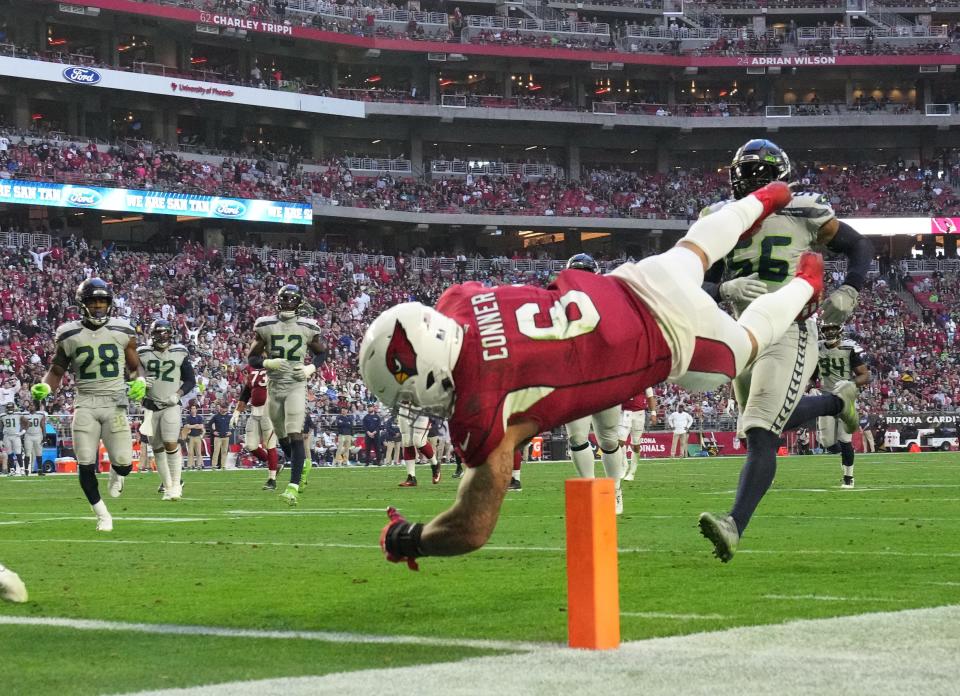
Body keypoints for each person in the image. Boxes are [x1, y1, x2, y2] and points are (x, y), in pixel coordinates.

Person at [362, 181, 825, 566]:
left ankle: (806, 282)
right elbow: (461, 311)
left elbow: (471, 528)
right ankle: (767, 197)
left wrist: (409, 538)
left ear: (428, 375)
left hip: (667, 336)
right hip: (633, 280)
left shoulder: (483, 403)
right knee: (695, 247)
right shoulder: (457, 303)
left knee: (741, 348)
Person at [697, 139, 869, 562]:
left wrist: (851, 288)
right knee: (771, 419)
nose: (755, 182)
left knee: (760, 432)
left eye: (762, 175)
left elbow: (859, 245)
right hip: (741, 331)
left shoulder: (803, 209)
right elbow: (699, 280)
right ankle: (834, 401)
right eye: (749, 175)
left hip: (790, 329)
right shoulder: (720, 217)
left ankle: (733, 524)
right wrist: (722, 287)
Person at [30, 278, 146, 532]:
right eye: (93, 301)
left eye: (102, 301)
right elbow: (57, 369)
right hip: (85, 404)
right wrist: (46, 386)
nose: (98, 306)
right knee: (84, 462)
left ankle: (117, 472)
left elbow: (135, 367)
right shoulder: (69, 333)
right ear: (82, 304)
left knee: (125, 463)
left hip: (115, 404)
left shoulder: (123, 330)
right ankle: (103, 515)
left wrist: (141, 382)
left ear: (110, 303)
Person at [247, 284, 326, 505]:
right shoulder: (266, 326)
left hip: (296, 384)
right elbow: (251, 359)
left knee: (294, 431)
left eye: (292, 300)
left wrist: (311, 368)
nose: (287, 304)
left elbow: (321, 353)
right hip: (274, 385)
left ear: (299, 303)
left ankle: (292, 487)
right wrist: (266, 362)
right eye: (285, 299)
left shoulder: (307, 327)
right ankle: (302, 466)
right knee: (281, 435)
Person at [561, 254, 627, 513]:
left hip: (604, 375)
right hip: (574, 377)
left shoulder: (610, 300)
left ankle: (615, 489)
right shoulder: (559, 302)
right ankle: (589, 489)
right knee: (576, 436)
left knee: (608, 440)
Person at [138, 320, 194, 501]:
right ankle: (168, 486)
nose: (162, 337)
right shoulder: (142, 354)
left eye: (165, 333)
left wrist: (178, 394)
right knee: (157, 448)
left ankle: (177, 484)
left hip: (171, 405)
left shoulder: (179, 352)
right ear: (152, 335)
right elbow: (130, 377)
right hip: (150, 406)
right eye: (159, 333)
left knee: (170, 442)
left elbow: (190, 380)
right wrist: (140, 382)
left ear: (171, 334)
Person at [815, 322, 871, 488]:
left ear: (839, 331)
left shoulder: (849, 349)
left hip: (845, 398)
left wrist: (850, 384)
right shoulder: (816, 349)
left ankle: (848, 477)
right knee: (826, 442)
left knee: (845, 439)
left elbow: (865, 375)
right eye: (826, 329)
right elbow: (811, 372)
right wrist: (809, 386)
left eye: (833, 328)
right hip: (825, 397)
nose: (829, 332)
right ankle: (844, 455)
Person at [231, 366, 281, 490]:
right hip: (254, 412)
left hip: (268, 412)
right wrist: (236, 413)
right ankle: (274, 465)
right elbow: (246, 394)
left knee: (270, 445)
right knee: (250, 445)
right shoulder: (252, 371)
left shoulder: (272, 367)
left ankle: (272, 480)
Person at [620, 387, 657, 481]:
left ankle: (632, 472)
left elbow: (650, 397)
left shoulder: (645, 381)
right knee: (620, 442)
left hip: (639, 414)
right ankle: (624, 465)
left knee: (635, 445)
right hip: (624, 413)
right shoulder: (623, 379)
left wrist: (653, 413)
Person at [21, 403, 47, 476]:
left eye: (32, 405)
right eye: (30, 406)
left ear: (36, 407)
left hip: (38, 435)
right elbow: (22, 426)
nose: (31, 407)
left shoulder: (41, 415)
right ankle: (26, 470)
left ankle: (40, 470)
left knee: (39, 453)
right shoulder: (24, 415)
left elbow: (43, 426)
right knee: (27, 453)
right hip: (28, 435)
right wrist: (21, 435)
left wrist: (44, 437)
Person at [208, 402, 233, 471]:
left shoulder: (229, 416)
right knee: (216, 451)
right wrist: (213, 432)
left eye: (225, 408)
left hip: (226, 437)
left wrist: (231, 432)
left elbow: (234, 424)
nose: (224, 409)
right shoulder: (216, 416)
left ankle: (223, 466)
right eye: (222, 408)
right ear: (220, 408)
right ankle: (213, 466)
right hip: (218, 437)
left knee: (224, 452)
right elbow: (209, 424)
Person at [1, 403, 24, 475]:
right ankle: (12, 470)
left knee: (18, 453)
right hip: (7, 436)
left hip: (16, 436)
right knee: (9, 454)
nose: (10, 409)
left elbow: (27, 422)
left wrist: (23, 431)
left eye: (11, 408)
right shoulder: (2, 416)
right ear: (6, 409)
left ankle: (22, 469)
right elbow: (1, 427)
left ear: (13, 408)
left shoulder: (18, 414)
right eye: (9, 408)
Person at [184, 403, 205, 471]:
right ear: (190, 410)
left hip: (198, 437)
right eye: (192, 408)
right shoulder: (188, 417)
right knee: (190, 452)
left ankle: (199, 465)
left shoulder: (199, 417)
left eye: (194, 408)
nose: (193, 410)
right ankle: (190, 465)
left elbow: (201, 426)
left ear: (196, 409)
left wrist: (192, 426)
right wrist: (196, 425)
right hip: (190, 437)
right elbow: (187, 426)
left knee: (198, 452)